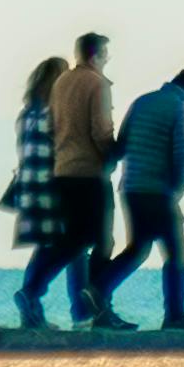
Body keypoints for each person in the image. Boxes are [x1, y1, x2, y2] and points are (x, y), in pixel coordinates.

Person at [94, 63, 184, 330]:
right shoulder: (180, 109)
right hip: (159, 191)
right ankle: (174, 316)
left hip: (131, 188)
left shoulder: (142, 102)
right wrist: (178, 189)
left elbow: (121, 145)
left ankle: (97, 289)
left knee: (138, 248)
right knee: (175, 251)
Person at [43, 31, 120, 326]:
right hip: (90, 173)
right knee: (103, 242)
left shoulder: (61, 83)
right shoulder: (97, 83)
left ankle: (76, 307)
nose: (107, 59)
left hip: (63, 171)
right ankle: (98, 305)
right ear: (95, 55)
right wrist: (112, 156)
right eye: (105, 54)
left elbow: (52, 127)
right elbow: (101, 131)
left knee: (74, 242)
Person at [4, 54, 87, 329]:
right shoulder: (56, 113)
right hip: (53, 189)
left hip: (29, 189)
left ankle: (37, 310)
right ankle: (36, 295)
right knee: (74, 244)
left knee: (54, 247)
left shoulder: (26, 114)